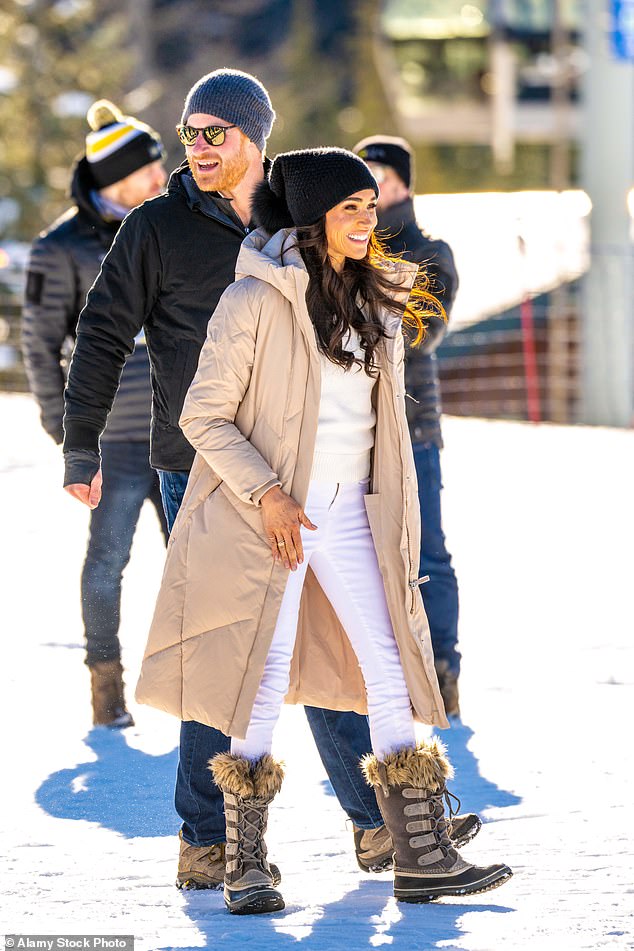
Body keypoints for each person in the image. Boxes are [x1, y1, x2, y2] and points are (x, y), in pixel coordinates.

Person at [60, 69, 479, 890]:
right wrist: (80, 449)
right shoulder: (155, 228)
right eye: (189, 133)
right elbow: (103, 332)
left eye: (215, 132)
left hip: (312, 475)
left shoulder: (300, 214)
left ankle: (376, 824)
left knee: (327, 645)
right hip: (203, 468)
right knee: (231, 656)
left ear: (256, 135)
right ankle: (210, 839)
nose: (199, 148)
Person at [135, 147, 512, 915]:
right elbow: (201, 413)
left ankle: (421, 853)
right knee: (261, 677)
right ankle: (244, 862)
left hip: (351, 514)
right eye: (352, 208)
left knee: (390, 663)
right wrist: (268, 494)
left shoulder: (377, 300)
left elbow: (384, 432)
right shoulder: (254, 301)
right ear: (312, 221)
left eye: (372, 206)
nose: (370, 220)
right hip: (267, 518)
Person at [22, 99, 168, 728]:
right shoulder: (60, 249)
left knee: (201, 561)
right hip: (114, 439)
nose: (163, 175)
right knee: (107, 562)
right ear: (116, 180)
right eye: (150, 168)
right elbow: (39, 343)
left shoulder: (171, 225)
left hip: (187, 431)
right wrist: (67, 430)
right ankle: (106, 686)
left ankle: (201, 682)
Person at [354, 135, 462, 716]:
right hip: (354, 436)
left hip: (413, 427)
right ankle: (379, 684)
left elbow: (424, 331)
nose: (369, 187)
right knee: (360, 560)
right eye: (361, 174)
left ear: (403, 184)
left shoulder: (429, 251)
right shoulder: (343, 248)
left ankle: (443, 672)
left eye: (379, 175)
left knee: (428, 555)